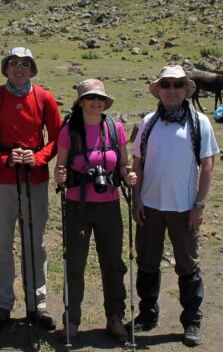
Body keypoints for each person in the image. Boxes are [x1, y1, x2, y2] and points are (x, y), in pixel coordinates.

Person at [130, 65, 219, 347]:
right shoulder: (148, 123)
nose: (171, 90)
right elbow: (138, 164)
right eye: (166, 85)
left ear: (186, 90)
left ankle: (192, 320)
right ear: (158, 90)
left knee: (187, 265)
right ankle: (147, 314)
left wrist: (199, 205)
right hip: (151, 206)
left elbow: (208, 166)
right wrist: (136, 201)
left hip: (183, 208)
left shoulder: (199, 122)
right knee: (147, 262)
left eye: (177, 85)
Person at [0, 47, 62, 330]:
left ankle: (36, 304)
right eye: (13, 63)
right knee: (0, 243)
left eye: (25, 64)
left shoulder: (45, 98)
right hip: (0, 179)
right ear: (5, 68)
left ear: (32, 69)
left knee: (35, 243)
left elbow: (57, 139)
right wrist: (4, 158)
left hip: (34, 178)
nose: (19, 68)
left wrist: (37, 158)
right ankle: (2, 304)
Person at [54, 79, 137, 342]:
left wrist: (128, 175)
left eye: (100, 98)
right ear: (81, 102)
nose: (96, 102)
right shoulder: (69, 130)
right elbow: (60, 166)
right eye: (90, 98)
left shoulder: (116, 128)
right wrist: (60, 176)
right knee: (75, 263)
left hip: (109, 206)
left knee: (113, 263)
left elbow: (123, 164)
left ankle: (115, 317)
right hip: (78, 205)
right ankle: (72, 320)